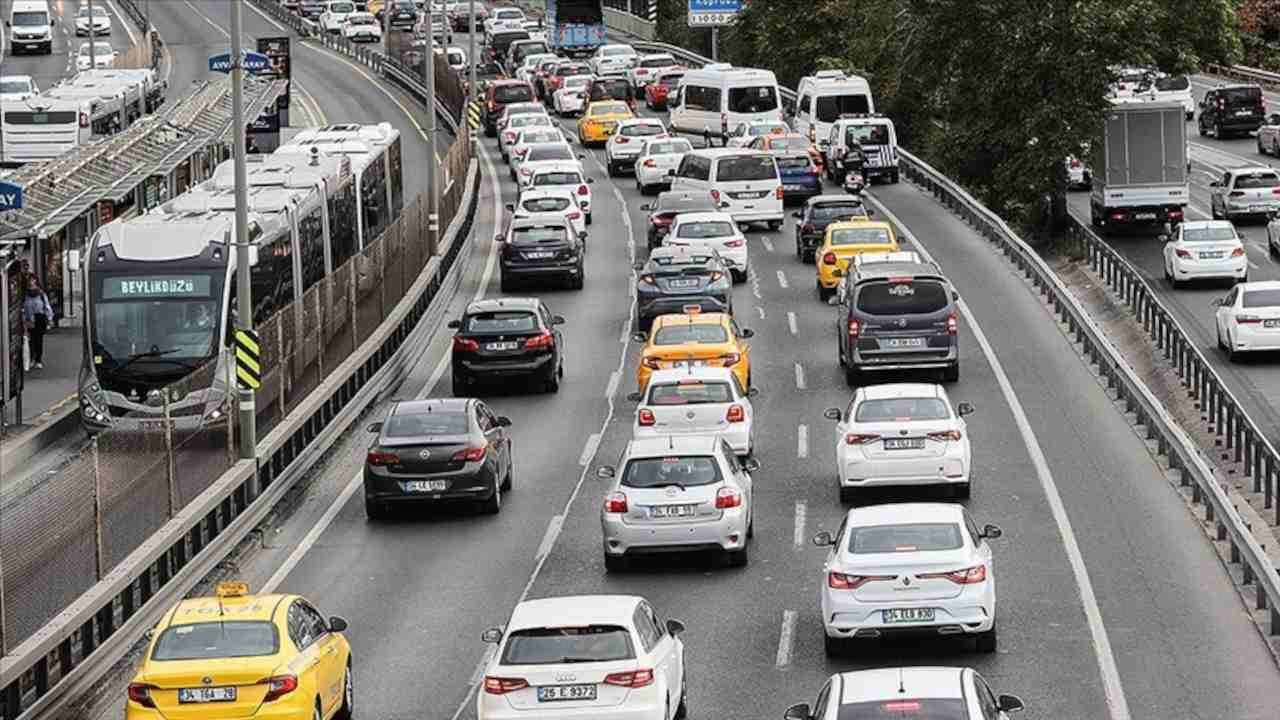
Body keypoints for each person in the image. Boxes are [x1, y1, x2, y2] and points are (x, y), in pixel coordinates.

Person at [22, 281, 54, 370]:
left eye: (32, 285)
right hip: (29, 320)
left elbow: (47, 307)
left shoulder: (41, 295)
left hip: (39, 318)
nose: (31, 287)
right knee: (30, 340)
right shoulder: (25, 296)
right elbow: (23, 308)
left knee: (38, 340)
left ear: (36, 286)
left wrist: (49, 318)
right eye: (30, 285)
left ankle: (38, 360)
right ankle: (32, 358)